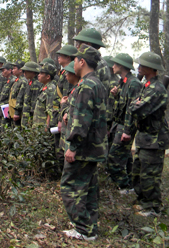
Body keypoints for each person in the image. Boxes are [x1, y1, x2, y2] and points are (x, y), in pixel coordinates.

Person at [61, 44, 107, 241]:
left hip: (83, 148)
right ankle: (89, 227)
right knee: (89, 188)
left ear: (82, 62)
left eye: (75, 60)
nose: (72, 64)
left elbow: (82, 121)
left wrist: (73, 147)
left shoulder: (86, 86)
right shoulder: (97, 83)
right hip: (93, 147)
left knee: (70, 186)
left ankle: (82, 229)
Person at [122, 52, 169, 217]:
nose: (139, 67)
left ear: (151, 67)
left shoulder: (157, 89)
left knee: (150, 174)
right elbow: (135, 105)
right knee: (139, 172)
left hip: (154, 139)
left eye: (142, 64)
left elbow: (137, 109)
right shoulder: (146, 85)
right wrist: (135, 103)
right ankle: (143, 201)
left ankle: (152, 207)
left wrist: (135, 103)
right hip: (145, 138)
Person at [107, 53, 141, 193]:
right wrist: (116, 95)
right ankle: (130, 184)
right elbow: (121, 106)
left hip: (125, 126)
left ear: (121, 65)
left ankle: (124, 185)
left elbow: (132, 110)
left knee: (114, 157)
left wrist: (127, 131)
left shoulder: (133, 84)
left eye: (115, 64)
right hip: (118, 124)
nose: (113, 66)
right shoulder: (123, 82)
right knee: (126, 157)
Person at [52, 44, 77, 171]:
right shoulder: (64, 73)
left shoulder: (71, 73)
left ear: (68, 57)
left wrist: (61, 118)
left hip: (66, 116)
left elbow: (66, 98)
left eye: (61, 55)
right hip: (62, 114)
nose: (58, 58)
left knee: (65, 147)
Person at [33, 63, 57, 130]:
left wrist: (47, 126)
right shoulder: (44, 87)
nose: (38, 75)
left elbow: (50, 110)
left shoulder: (51, 89)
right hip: (38, 125)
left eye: (41, 73)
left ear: (48, 76)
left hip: (43, 127)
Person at [19, 61, 42, 128]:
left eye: (26, 71)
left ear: (33, 72)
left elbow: (34, 104)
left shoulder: (36, 84)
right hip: (26, 115)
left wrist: (30, 118)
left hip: (30, 116)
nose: (24, 73)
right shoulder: (30, 82)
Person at [0, 62, 16, 128]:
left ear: (10, 70)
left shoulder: (13, 80)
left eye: (4, 70)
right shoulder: (5, 80)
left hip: (7, 107)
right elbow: (0, 94)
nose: (2, 72)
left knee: (5, 126)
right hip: (2, 107)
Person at [9, 60, 27, 128]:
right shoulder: (17, 80)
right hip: (12, 112)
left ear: (20, 70)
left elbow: (20, 98)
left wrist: (17, 113)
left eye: (14, 68)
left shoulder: (23, 81)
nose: (12, 70)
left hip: (18, 113)